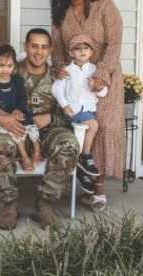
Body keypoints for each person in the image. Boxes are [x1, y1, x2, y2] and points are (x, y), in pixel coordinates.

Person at [0, 29, 80, 230]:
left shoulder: (60, 78)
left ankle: (45, 205)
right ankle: (9, 205)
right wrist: (0, 118)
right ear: (25, 47)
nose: (38, 52)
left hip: (47, 132)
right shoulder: (8, 69)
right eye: (34, 46)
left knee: (69, 144)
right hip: (12, 130)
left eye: (44, 47)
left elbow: (73, 111)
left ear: (51, 50)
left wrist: (51, 117)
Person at [50, 0, 124, 212]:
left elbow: (114, 43)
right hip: (76, 83)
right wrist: (59, 67)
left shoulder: (104, 4)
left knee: (103, 127)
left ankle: (99, 190)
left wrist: (102, 74)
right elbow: (58, 49)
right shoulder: (61, 13)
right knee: (83, 128)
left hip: (106, 76)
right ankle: (87, 183)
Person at [51, 33, 108, 194]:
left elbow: (104, 92)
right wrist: (64, 105)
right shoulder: (67, 71)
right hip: (74, 111)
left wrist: (97, 88)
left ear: (91, 52)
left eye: (86, 48)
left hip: (88, 109)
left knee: (85, 132)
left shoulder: (95, 70)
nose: (82, 52)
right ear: (71, 53)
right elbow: (56, 89)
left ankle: (81, 170)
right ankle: (86, 156)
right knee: (93, 125)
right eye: (78, 49)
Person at [0, 44, 42, 171]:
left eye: (9, 66)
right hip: (4, 116)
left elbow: (22, 98)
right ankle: (25, 157)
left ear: (14, 65)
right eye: (1, 65)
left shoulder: (17, 81)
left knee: (31, 125)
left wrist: (18, 110)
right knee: (15, 131)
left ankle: (37, 151)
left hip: (19, 112)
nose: (5, 69)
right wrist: (6, 115)